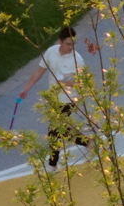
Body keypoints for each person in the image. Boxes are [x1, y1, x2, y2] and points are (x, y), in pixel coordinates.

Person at [20, 25, 99, 167]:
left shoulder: (77, 60)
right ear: (60, 42)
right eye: (68, 44)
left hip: (69, 99)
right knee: (59, 130)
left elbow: (82, 84)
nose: (70, 47)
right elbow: (39, 71)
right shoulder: (51, 52)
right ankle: (88, 142)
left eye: (72, 44)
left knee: (54, 131)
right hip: (54, 98)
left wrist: (65, 83)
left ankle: (52, 165)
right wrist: (26, 89)